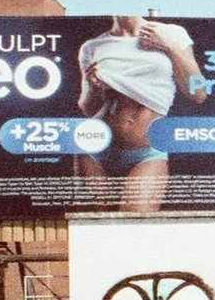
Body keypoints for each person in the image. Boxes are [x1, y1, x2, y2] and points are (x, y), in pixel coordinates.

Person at [75, 14, 207, 213]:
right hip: (96, 149)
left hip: (146, 151)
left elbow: (198, 91)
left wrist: (169, 46)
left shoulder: (170, 33)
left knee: (134, 229)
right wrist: (92, 86)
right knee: (99, 231)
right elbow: (89, 108)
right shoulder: (92, 47)